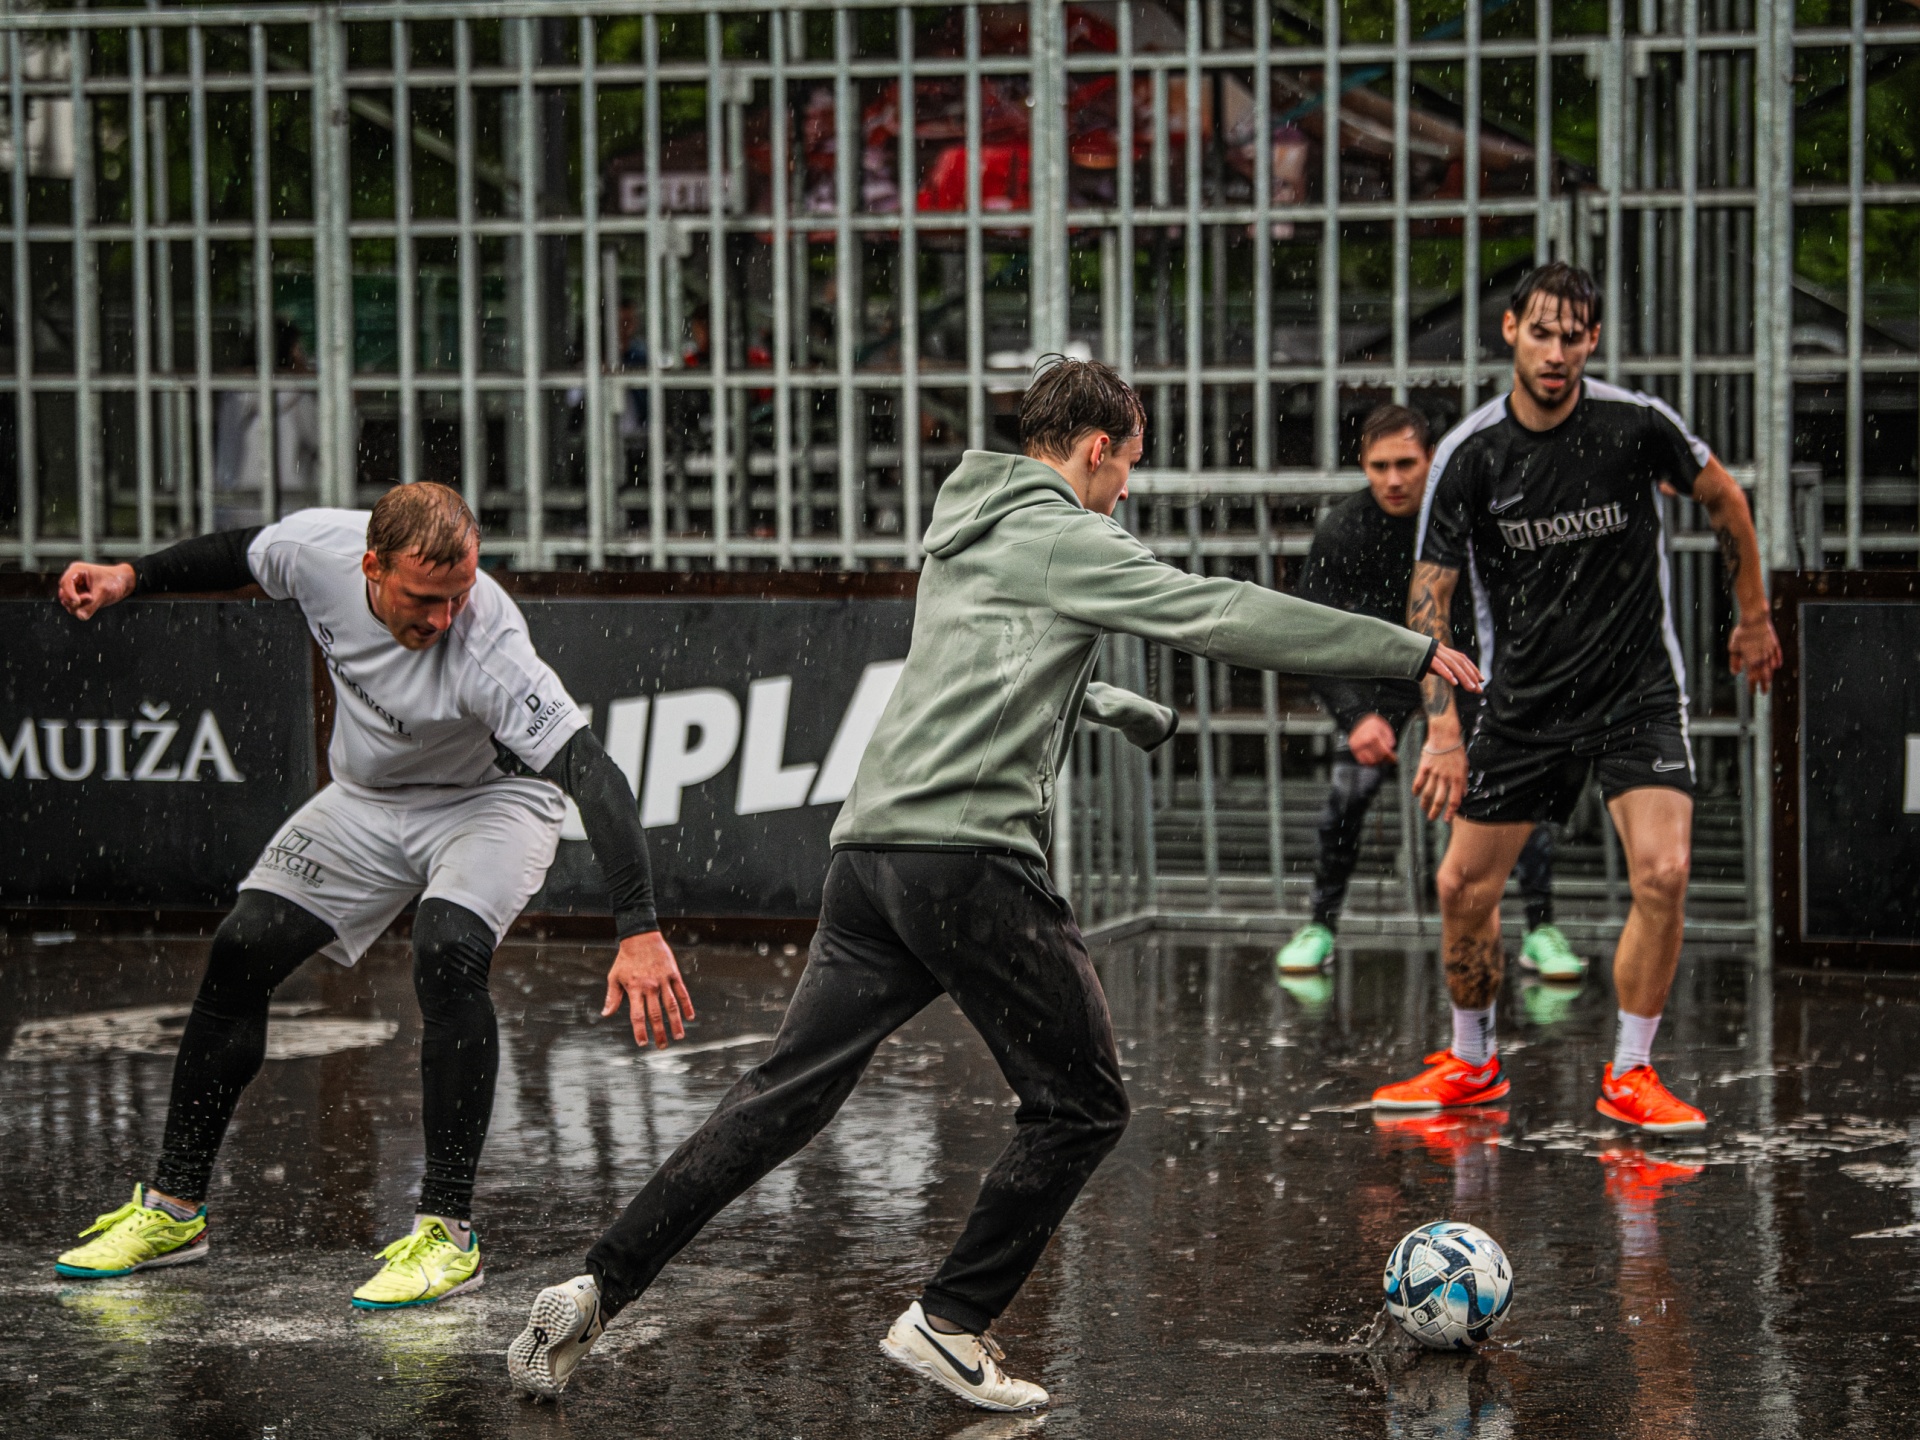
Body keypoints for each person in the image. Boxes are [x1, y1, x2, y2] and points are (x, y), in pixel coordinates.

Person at [506, 357, 1482, 1410]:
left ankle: (597, 1286)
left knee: (780, 1099)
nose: (1127, 491)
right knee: (1084, 1104)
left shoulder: (967, 524)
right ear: (1097, 449)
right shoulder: (1071, 536)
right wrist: (1403, 651)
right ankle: (950, 1320)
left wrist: (1114, 708)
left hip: (869, 860)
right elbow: (1218, 612)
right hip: (967, 860)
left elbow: (986, 662)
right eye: (1128, 467)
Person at [49, 483, 690, 1309]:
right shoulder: (316, 550)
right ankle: (175, 1212)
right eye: (424, 599)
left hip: (490, 804)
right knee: (242, 947)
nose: (443, 618)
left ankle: (448, 1234)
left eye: (458, 595)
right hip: (368, 799)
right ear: (372, 568)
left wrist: (639, 929)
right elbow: (237, 553)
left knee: (446, 950)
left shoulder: (489, 643)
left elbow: (593, 774)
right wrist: (128, 577)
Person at [1372, 262, 1780, 1133]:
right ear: (1511, 331)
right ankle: (1473, 1061)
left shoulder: (1635, 425)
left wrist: (1753, 618)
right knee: (1461, 888)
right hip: (1525, 701)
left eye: (1573, 337)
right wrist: (1443, 733)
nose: (1556, 353)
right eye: (1541, 333)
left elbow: (1724, 496)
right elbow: (1428, 599)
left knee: (1665, 873)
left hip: (1637, 692)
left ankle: (1630, 1070)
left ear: (1592, 340)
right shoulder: (1472, 454)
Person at [1274, 404, 1578, 981]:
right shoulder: (1345, 527)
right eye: (1379, 466)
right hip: (1383, 673)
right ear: (1362, 464)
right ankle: (1320, 925)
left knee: (1514, 788)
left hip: (1464, 667)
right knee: (1349, 792)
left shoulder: (1471, 518)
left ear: (1432, 459)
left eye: (1406, 464)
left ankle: (1541, 928)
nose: (1393, 479)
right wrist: (1356, 716)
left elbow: (1518, 610)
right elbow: (1310, 633)